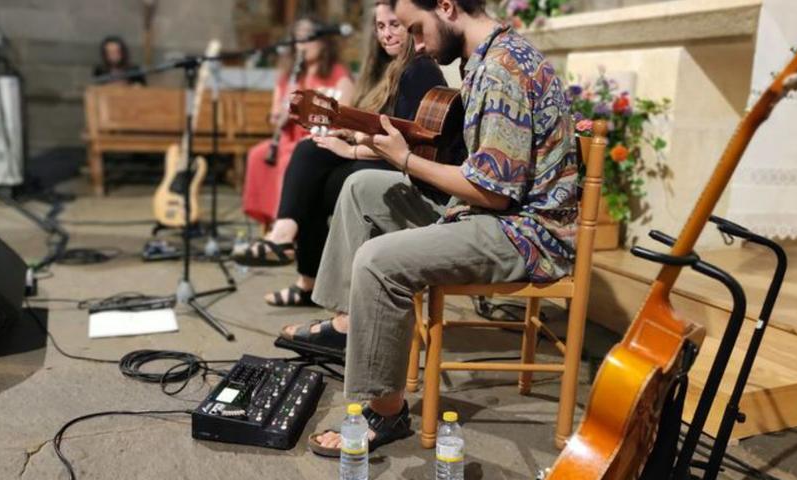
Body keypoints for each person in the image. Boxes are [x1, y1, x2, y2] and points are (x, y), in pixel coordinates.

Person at [290, 0, 579, 455]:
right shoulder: (485, 59)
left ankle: (386, 414)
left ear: (446, 6)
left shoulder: (502, 68)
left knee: (378, 261)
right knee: (364, 187)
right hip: (487, 214)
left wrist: (404, 158)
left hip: (525, 233)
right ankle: (349, 324)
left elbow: (494, 194)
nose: (416, 44)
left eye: (417, 30)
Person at [234, 1, 453, 310]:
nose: (387, 34)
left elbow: (405, 142)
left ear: (410, 24)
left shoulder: (418, 70)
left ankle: (304, 269)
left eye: (394, 25)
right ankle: (290, 246)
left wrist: (350, 148)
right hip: (378, 159)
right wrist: (344, 132)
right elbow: (371, 126)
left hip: (405, 171)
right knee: (311, 150)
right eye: (380, 27)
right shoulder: (380, 71)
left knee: (317, 179)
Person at [240, 17, 356, 226]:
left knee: (289, 159)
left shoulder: (339, 75)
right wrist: (278, 117)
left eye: (308, 39)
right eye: (298, 39)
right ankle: (270, 225)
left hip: (316, 141)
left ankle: (287, 226)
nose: (302, 45)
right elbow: (275, 117)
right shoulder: (288, 76)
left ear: (324, 42)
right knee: (257, 155)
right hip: (287, 140)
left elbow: (343, 119)